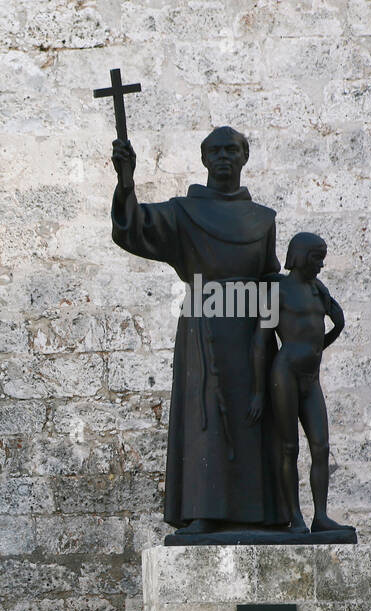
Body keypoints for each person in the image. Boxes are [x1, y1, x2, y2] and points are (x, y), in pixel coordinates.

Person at [111, 126, 286, 533]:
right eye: (216, 151)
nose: (224, 157)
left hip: (253, 330)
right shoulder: (182, 213)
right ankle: (203, 511)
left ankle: (266, 515)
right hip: (204, 322)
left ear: (245, 158)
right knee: (205, 416)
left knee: (256, 418)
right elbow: (133, 228)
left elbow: (270, 279)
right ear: (204, 159)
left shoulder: (263, 220)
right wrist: (125, 182)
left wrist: (277, 333)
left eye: (233, 150)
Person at [251, 232, 353, 534]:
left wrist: (322, 343)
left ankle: (320, 515)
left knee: (321, 446)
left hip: (311, 378)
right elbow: (260, 343)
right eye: (317, 258)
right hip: (285, 374)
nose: (321, 265)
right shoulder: (278, 293)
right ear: (299, 257)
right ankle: (294, 516)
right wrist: (258, 392)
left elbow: (338, 320)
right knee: (289, 447)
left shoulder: (317, 289)